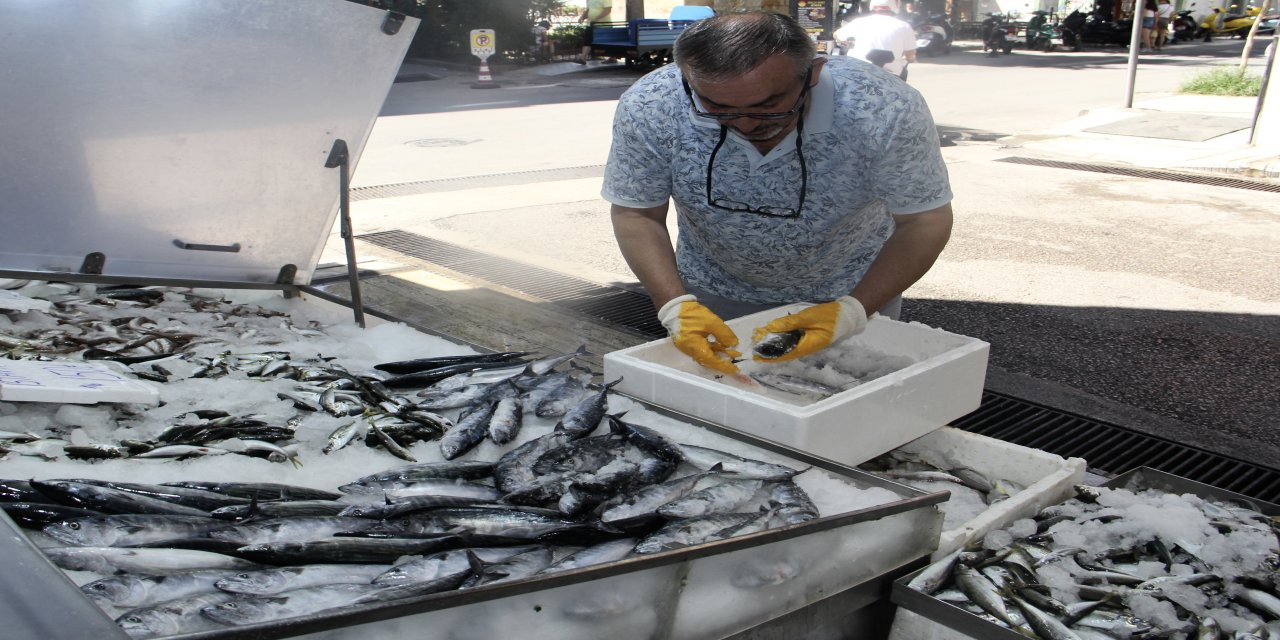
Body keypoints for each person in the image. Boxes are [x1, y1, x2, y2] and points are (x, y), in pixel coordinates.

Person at [604, 11, 953, 375]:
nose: (745, 124)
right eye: (717, 107)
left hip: (854, 291)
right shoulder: (652, 104)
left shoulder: (884, 108)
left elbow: (924, 220)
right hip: (708, 294)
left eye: (768, 106)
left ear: (813, 74)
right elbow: (636, 213)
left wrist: (853, 310)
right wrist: (673, 304)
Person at [833, 0, 917, 80]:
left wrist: (845, 42)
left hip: (860, 72)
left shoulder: (859, 22)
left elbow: (837, 35)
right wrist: (908, 58)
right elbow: (910, 54)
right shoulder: (904, 26)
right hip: (892, 76)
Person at [577, 0, 613, 64]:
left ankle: (612, 57)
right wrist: (582, 17)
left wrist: (597, 18)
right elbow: (588, 10)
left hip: (603, 25)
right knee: (587, 41)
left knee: (608, 42)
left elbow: (608, 10)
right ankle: (583, 58)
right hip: (590, 24)